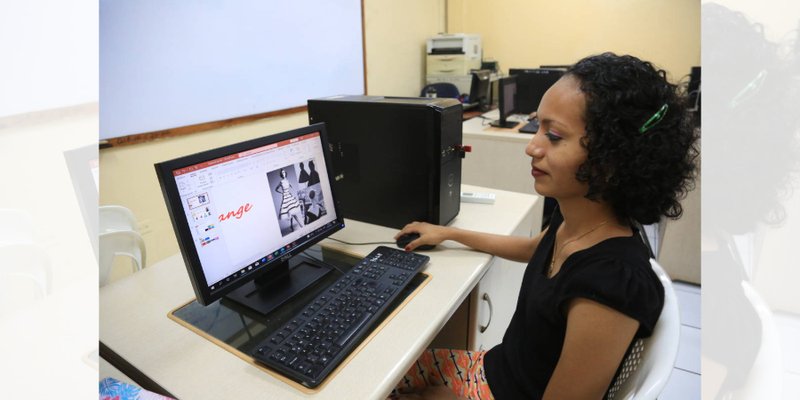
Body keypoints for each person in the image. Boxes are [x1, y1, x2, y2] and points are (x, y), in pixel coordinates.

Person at [392, 53, 698, 399]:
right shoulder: (579, 222)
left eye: (553, 135)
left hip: (497, 391)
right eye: (538, 127)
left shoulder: (612, 286)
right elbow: (534, 247)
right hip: (496, 371)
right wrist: (449, 234)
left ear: (612, 159)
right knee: (385, 365)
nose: (532, 147)